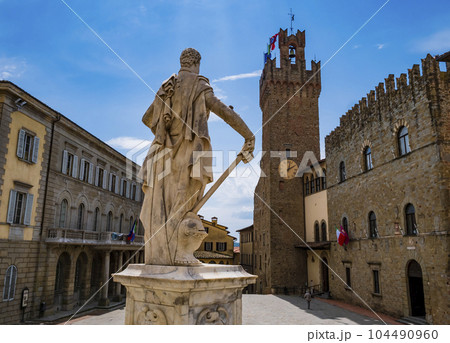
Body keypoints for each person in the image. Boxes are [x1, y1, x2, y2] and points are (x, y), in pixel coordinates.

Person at [139, 48, 255, 266]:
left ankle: (164, 256)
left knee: (162, 208)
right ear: (197, 64)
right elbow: (224, 112)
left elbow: (147, 119)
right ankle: (178, 255)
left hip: (162, 155)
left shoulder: (166, 88)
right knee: (182, 207)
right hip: (188, 155)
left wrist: (165, 128)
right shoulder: (199, 86)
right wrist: (248, 135)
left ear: (182, 62)